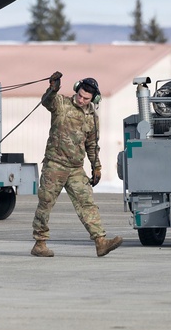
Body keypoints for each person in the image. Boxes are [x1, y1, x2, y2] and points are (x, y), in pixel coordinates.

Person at [31, 71, 123, 258]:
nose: (81, 100)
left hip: (75, 169)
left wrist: (96, 166)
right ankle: (39, 243)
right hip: (55, 165)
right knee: (45, 204)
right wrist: (52, 89)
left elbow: (91, 145)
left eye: (86, 98)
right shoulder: (62, 104)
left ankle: (100, 242)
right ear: (76, 90)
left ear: (93, 99)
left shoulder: (92, 118)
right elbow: (47, 102)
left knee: (87, 203)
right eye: (80, 95)